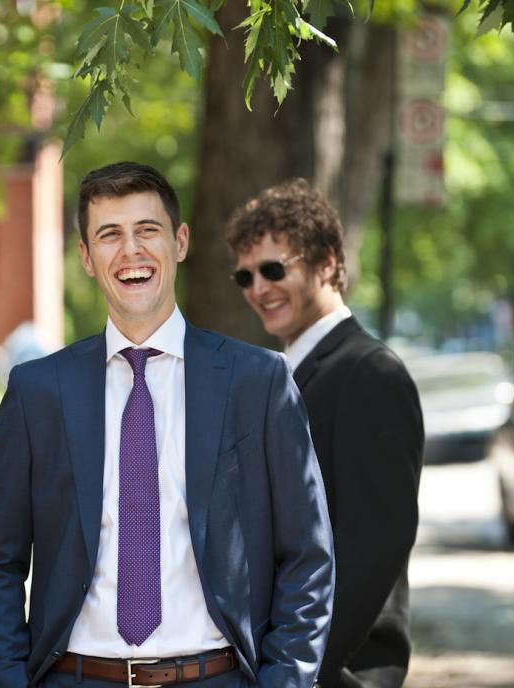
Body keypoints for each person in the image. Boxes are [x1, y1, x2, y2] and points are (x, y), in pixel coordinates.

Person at [0, 161, 335, 688]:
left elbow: (308, 555)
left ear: (180, 242)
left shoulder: (259, 382)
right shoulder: (37, 392)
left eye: (147, 230)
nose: (130, 251)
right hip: (77, 677)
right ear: (86, 258)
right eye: (109, 235)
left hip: (217, 677)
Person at [227, 180, 424, 687]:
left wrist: (300, 668)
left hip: (340, 670)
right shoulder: (279, 376)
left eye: (274, 269)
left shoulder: (370, 372)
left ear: (328, 263)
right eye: (244, 277)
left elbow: (375, 544)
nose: (259, 289)